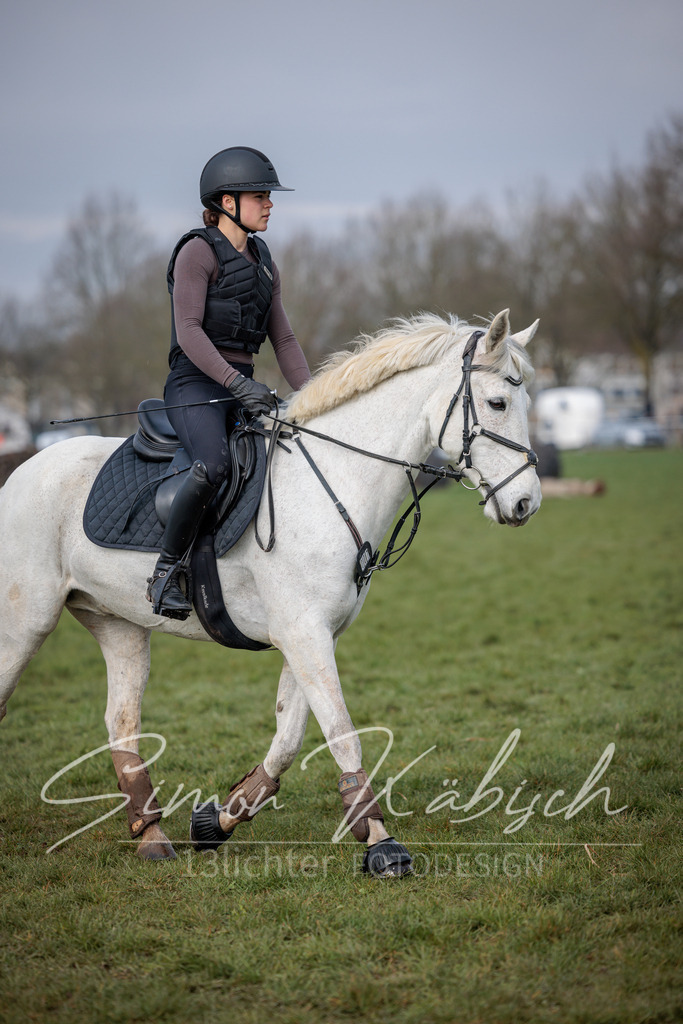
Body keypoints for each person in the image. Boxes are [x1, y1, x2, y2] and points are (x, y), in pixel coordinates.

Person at [146, 147, 311, 619]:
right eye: (261, 196)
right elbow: (188, 332)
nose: (270, 204)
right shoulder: (197, 252)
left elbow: (284, 338)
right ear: (227, 202)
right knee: (214, 464)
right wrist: (237, 386)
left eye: (269, 196)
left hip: (242, 388)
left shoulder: (264, 262)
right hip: (195, 385)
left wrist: (317, 396)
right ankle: (165, 571)